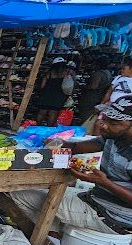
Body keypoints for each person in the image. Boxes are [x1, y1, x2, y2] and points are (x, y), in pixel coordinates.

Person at [12, 97, 132, 235]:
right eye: (104, 119)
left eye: (114, 122)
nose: (103, 125)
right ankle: (52, 232)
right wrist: (57, 142)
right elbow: (77, 147)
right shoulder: (113, 138)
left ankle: (48, 238)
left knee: (18, 194)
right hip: (94, 197)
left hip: (113, 217)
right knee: (35, 189)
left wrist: (104, 182)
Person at [36, 57, 72, 126]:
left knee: (41, 112)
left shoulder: (49, 73)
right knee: (53, 113)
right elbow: (70, 85)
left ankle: (37, 126)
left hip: (46, 94)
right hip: (59, 96)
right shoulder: (67, 73)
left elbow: (42, 86)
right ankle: (49, 128)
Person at [77, 56, 112, 124]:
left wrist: (82, 86)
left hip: (91, 97)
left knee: (85, 114)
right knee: (93, 115)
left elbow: (93, 86)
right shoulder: (108, 73)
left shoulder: (98, 73)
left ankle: (84, 126)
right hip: (100, 96)